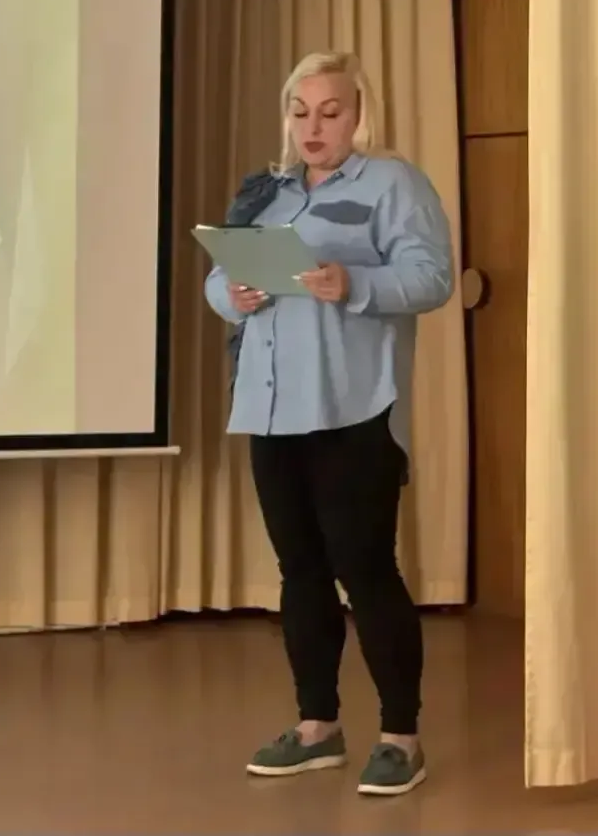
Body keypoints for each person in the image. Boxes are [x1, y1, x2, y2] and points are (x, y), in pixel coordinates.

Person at [204, 50, 453, 796]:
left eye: (330, 112)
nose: (313, 127)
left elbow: (432, 277)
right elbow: (219, 277)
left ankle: (401, 737)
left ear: (359, 115)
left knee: (367, 572)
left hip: (353, 410)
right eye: (300, 111)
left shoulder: (393, 184)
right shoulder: (267, 192)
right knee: (300, 572)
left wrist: (354, 282)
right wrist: (232, 295)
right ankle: (317, 727)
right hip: (271, 409)